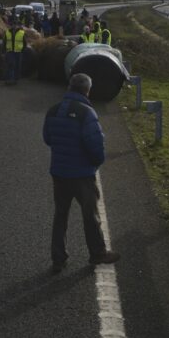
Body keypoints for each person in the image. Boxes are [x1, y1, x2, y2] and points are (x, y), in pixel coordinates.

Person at [42, 73, 120, 274]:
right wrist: (95, 163)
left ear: (69, 87)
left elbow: (48, 138)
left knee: (61, 215)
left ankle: (58, 259)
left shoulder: (53, 110)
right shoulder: (87, 113)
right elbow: (95, 147)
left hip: (59, 173)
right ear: (87, 90)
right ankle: (97, 253)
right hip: (82, 174)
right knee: (90, 216)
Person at [2, 20, 25, 85]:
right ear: (10, 26)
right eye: (12, 25)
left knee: (17, 66)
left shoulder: (21, 33)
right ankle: (9, 79)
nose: (14, 26)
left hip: (18, 52)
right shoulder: (7, 32)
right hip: (10, 51)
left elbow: (25, 43)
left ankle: (15, 79)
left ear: (17, 26)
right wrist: (3, 51)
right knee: (10, 65)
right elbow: (4, 42)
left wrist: (22, 50)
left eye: (15, 25)